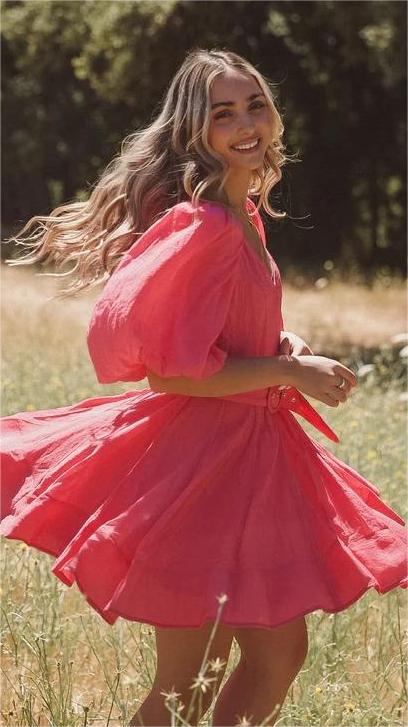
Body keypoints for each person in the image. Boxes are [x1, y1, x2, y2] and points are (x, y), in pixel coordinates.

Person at [1, 48, 407, 727]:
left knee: (279, 655)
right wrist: (284, 372)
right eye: (225, 114)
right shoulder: (205, 225)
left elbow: (220, 333)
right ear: (197, 131)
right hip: (201, 467)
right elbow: (169, 369)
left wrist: (283, 346)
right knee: (187, 681)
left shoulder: (241, 212)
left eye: (255, 105)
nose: (247, 123)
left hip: (256, 456)